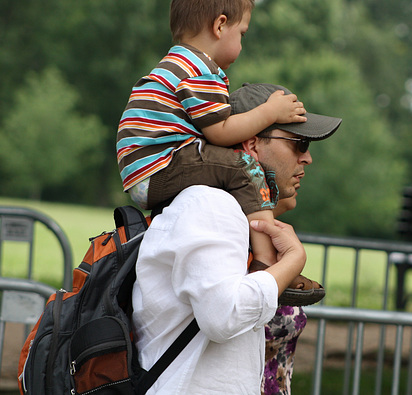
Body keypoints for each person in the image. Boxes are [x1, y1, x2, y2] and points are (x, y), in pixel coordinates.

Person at [115, 0, 319, 303]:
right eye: (242, 33)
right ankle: (267, 264)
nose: (241, 42)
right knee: (244, 168)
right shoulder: (201, 69)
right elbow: (221, 132)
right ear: (220, 25)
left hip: (147, 170)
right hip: (164, 164)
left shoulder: (173, 63)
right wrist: (270, 112)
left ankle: (261, 257)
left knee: (235, 172)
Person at [131, 82, 341, 394]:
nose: (307, 158)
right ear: (253, 145)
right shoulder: (212, 205)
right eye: (300, 144)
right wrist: (294, 260)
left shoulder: (225, 209)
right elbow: (223, 317)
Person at [262, 194, 309, 395]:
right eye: (293, 158)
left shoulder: (275, 239)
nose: (307, 160)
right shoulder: (232, 240)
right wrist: (295, 257)